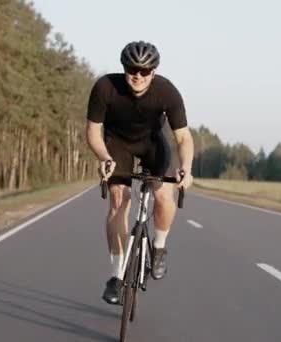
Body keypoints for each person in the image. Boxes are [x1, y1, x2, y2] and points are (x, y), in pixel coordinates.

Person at [85, 41, 194, 305]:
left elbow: (183, 138)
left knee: (164, 194)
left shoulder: (167, 92)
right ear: (124, 68)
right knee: (119, 200)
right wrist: (105, 158)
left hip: (151, 145)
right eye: (132, 69)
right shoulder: (105, 87)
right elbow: (92, 132)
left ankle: (158, 247)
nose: (138, 75)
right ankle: (116, 276)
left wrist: (186, 168)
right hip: (117, 145)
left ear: (153, 73)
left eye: (145, 71)